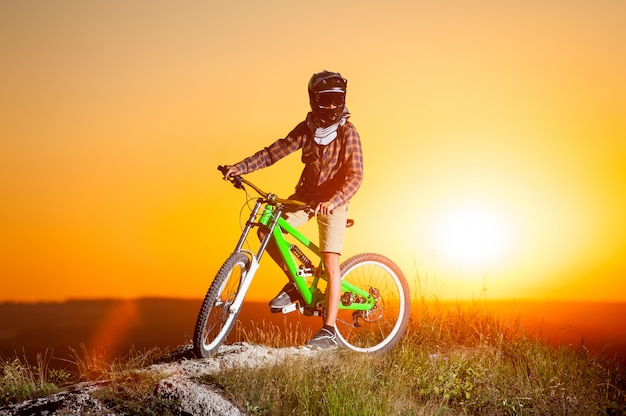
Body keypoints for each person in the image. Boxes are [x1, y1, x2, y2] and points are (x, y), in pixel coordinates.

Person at [222, 70, 364, 350]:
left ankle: (329, 330)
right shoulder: (308, 129)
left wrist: (334, 200)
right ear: (314, 100)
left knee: (331, 262)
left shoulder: (349, 132)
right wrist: (240, 167)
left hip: (334, 202)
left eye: (337, 100)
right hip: (306, 197)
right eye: (326, 100)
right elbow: (274, 152)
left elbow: (356, 176)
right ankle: (296, 282)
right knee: (267, 229)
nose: (333, 106)